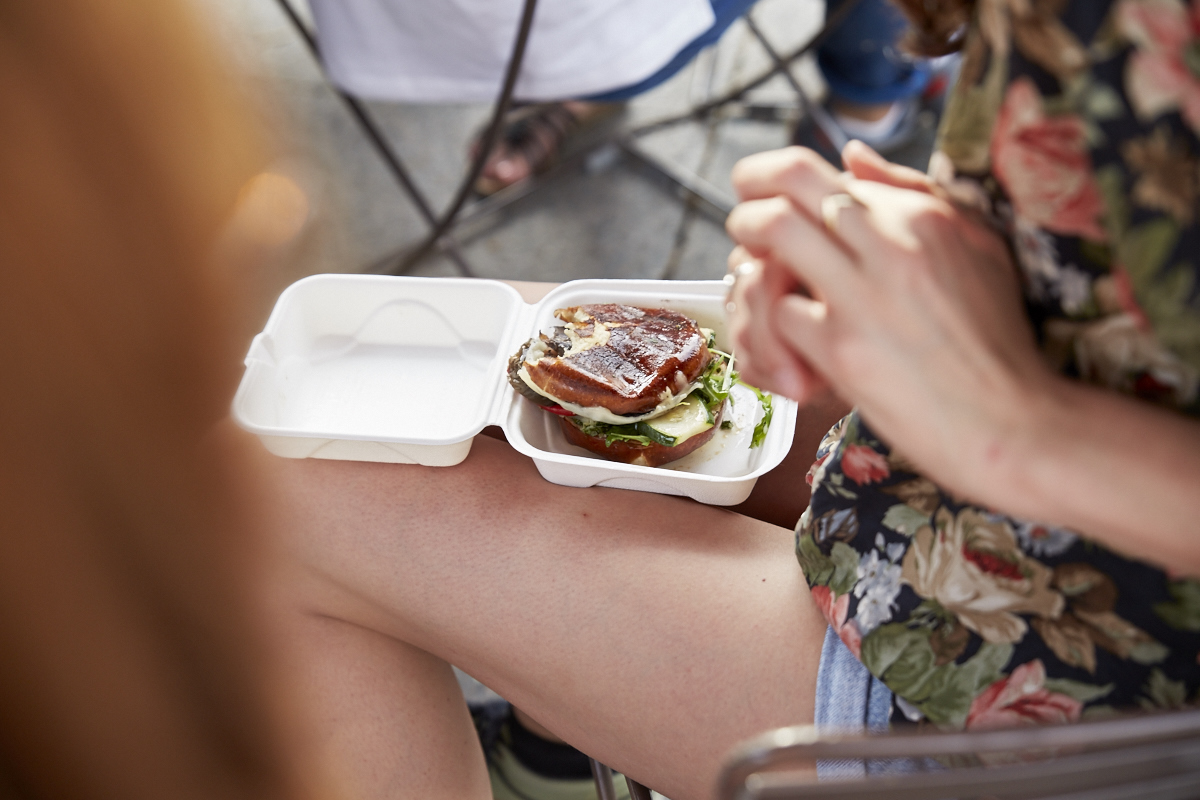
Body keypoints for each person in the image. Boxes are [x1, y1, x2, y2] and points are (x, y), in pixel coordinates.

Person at [263, 1, 1200, 798]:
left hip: (1074, 668)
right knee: (390, 398)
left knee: (259, 505)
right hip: (970, 445)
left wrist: (1023, 427)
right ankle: (557, 740)